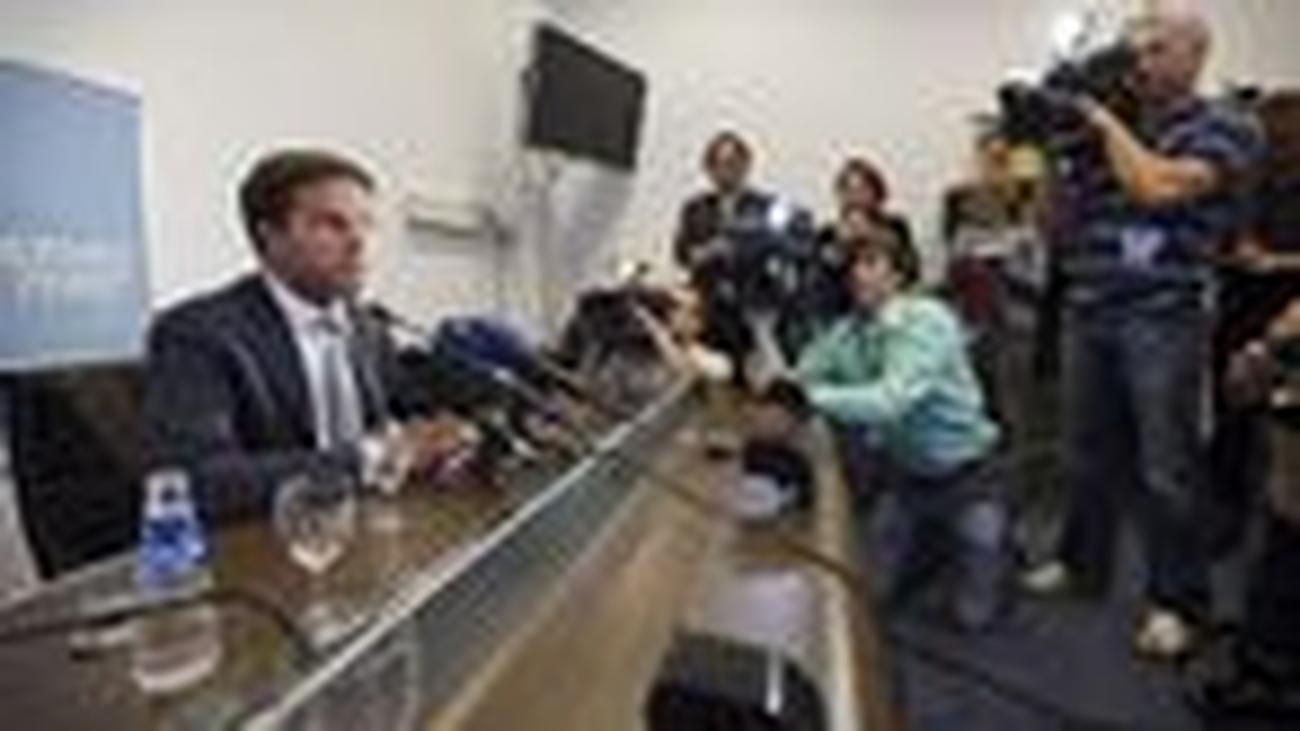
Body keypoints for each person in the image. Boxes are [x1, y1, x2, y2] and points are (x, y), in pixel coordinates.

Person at [1022, 11, 1264, 661]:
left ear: (1196, 56)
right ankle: (1083, 564)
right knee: (1083, 454)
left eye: (1157, 49)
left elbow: (1156, 187)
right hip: (1089, 305)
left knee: (1166, 466)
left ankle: (1178, 602)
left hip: (1165, 313)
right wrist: (1053, 150)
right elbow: (1051, 227)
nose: (1140, 62)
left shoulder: (1226, 126)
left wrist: (1102, 122)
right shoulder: (1101, 128)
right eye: (1135, 50)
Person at [144, 149, 471, 524]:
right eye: (332, 224)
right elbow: (196, 481)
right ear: (271, 236)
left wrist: (447, 441)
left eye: (366, 224)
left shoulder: (369, 329)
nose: (358, 242)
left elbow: (413, 418)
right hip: (265, 547)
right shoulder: (199, 333)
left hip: (369, 535)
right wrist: (368, 459)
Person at [794, 230, 1009, 632]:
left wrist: (810, 396)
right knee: (869, 592)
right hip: (907, 477)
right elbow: (802, 376)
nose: (858, 274)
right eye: (855, 265)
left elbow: (890, 400)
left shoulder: (926, 319)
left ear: (898, 275)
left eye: (872, 263)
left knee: (974, 616)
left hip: (968, 475)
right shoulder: (848, 332)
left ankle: (969, 558)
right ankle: (932, 555)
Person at [672, 131, 773, 386]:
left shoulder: (764, 207)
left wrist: (741, 249)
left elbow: (773, 250)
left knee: (742, 382)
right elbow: (681, 253)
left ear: (745, 166)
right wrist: (706, 252)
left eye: (732, 163)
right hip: (705, 304)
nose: (726, 171)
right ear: (709, 170)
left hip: (747, 307)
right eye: (718, 164)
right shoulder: (695, 207)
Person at [811, 158, 917, 329]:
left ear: (876, 193)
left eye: (861, 190)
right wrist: (839, 247)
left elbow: (910, 270)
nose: (855, 197)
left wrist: (873, 236)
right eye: (847, 190)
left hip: (889, 307)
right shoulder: (828, 234)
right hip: (841, 310)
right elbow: (819, 279)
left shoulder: (896, 226)